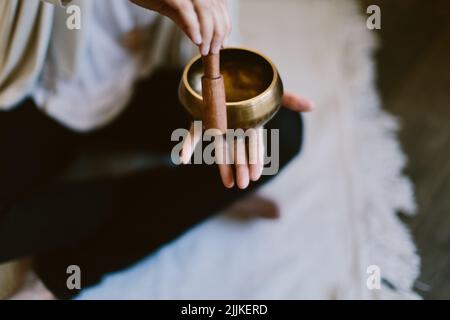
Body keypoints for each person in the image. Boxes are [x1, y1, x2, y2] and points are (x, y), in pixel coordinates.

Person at [0, 0, 313, 299]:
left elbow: (214, 24)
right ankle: (188, 196)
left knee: (279, 134)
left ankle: (67, 270)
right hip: (35, 90)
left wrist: (238, 91)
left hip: (137, 82)